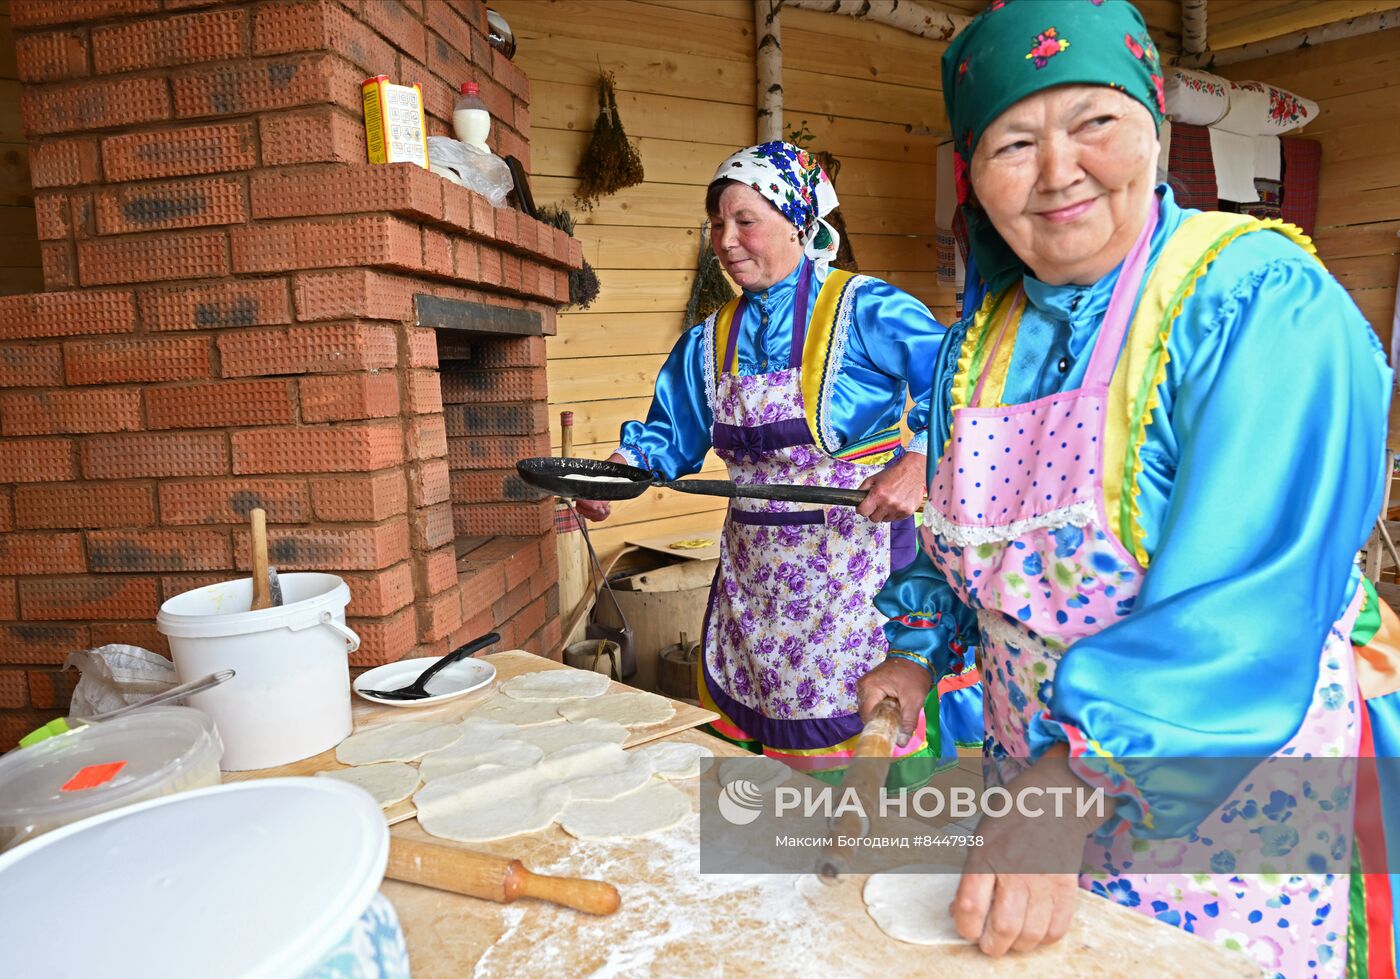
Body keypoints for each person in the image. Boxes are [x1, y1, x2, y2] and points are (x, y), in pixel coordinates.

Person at [861, 1, 1392, 973]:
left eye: (1092, 122)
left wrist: (1063, 789)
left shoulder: (1256, 302)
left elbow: (1254, 601)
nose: (1058, 170)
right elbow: (962, 539)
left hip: (1221, 817)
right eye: (1013, 141)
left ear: (1154, 126)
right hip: (1030, 798)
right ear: (972, 178)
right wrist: (911, 648)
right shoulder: (976, 342)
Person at [577, 141, 953, 787]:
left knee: (856, 746)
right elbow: (669, 435)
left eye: (745, 220)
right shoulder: (708, 338)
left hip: (852, 577)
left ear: (799, 222)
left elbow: (961, 384)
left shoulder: (865, 309)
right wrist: (619, 470)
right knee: (762, 771)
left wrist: (920, 460)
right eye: (717, 223)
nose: (726, 240)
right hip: (755, 584)